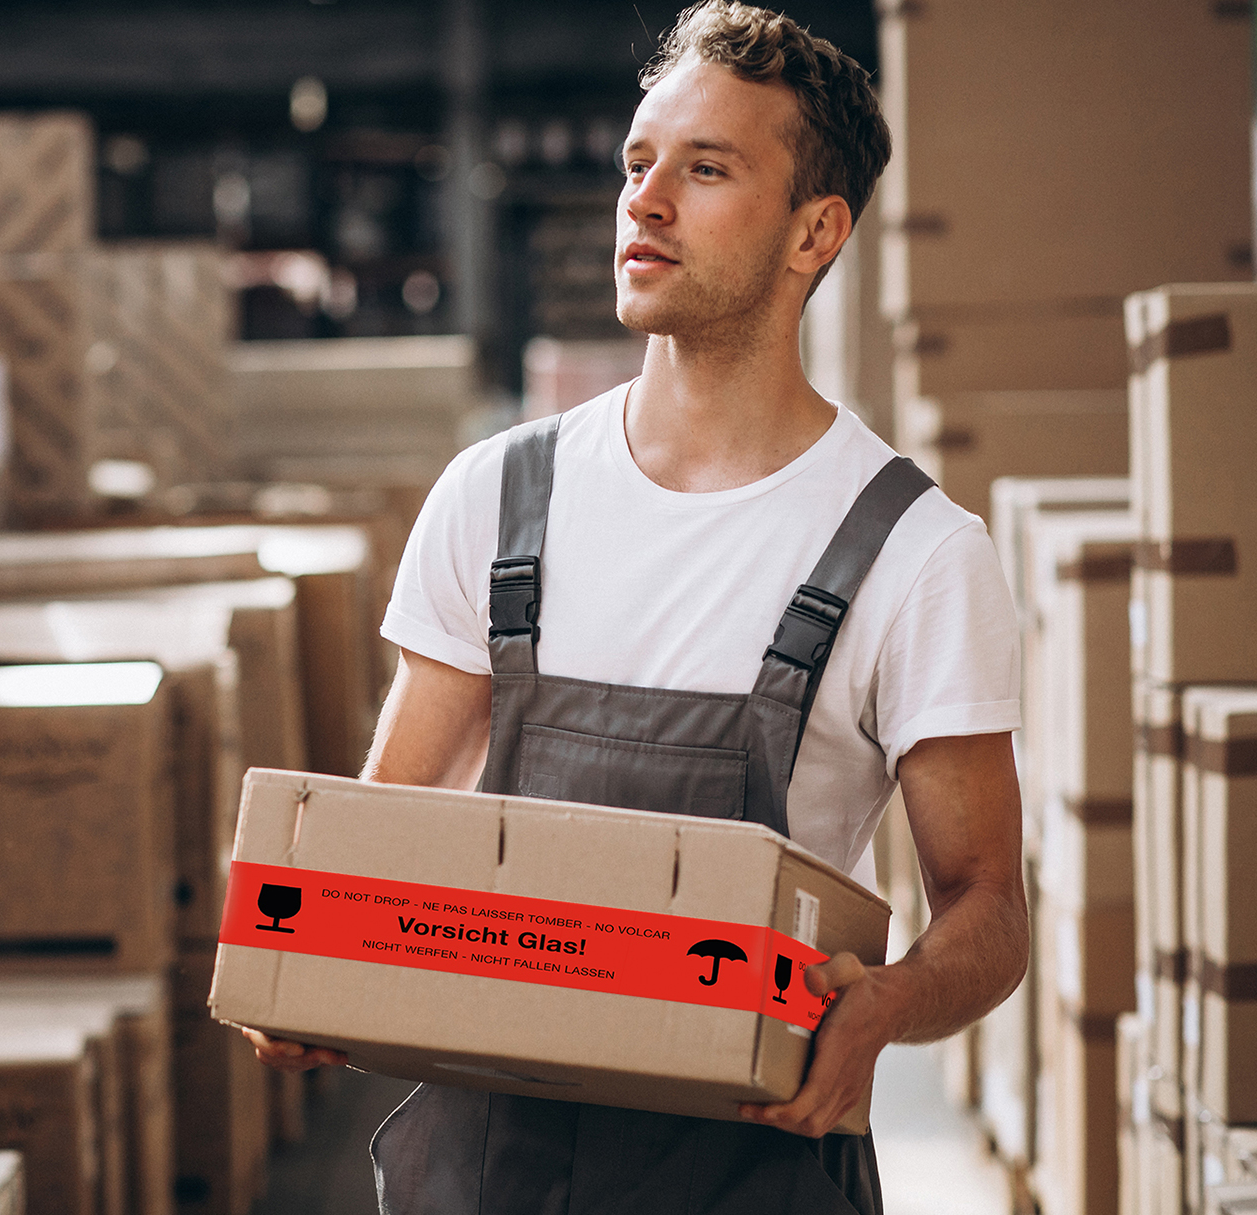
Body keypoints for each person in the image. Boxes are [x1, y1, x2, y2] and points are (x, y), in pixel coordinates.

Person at [245, 2, 1029, 1212]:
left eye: (705, 169)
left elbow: (985, 908)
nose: (645, 200)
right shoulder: (497, 498)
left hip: (747, 1166)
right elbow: (387, 828)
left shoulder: (913, 554)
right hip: (484, 1163)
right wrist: (319, 967)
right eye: (638, 162)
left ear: (815, 231)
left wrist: (886, 1007)